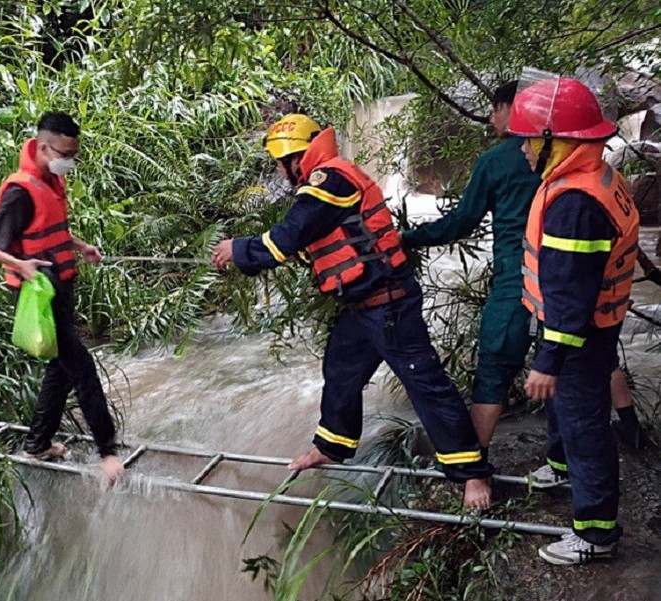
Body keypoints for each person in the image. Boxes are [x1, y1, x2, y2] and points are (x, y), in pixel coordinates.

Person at [211, 114, 494, 509]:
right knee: (341, 371)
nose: (279, 170)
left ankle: (473, 474)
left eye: (280, 161)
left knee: (426, 385)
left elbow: (289, 235)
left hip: (389, 302)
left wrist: (237, 249)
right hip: (364, 307)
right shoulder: (323, 181)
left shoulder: (329, 179)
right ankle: (332, 446)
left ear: (296, 156)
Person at [402, 82, 646, 465]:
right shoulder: (591, 165)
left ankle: (474, 467)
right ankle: (627, 429)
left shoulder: (497, 161)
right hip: (578, 281)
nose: (492, 119)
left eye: (495, 109)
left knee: (495, 368)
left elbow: (461, 222)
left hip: (520, 281)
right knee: (587, 355)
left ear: (511, 108)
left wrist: (408, 239)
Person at [509, 75, 638, 564]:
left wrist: (548, 359)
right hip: (596, 329)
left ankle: (596, 533)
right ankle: (561, 468)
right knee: (570, 412)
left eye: (528, 139)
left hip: (581, 335)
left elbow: (570, 298)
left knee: (586, 427)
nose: (522, 149)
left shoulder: (574, 205)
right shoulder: (592, 177)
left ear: (555, 141)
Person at [0, 111, 124, 486]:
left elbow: (51, 228)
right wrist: (20, 265)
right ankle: (108, 453)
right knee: (82, 367)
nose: (69, 161)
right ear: (43, 146)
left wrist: (82, 245)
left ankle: (37, 443)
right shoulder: (19, 191)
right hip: (38, 294)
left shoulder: (51, 179)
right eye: (65, 153)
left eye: (74, 154)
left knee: (60, 368)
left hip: (61, 284)